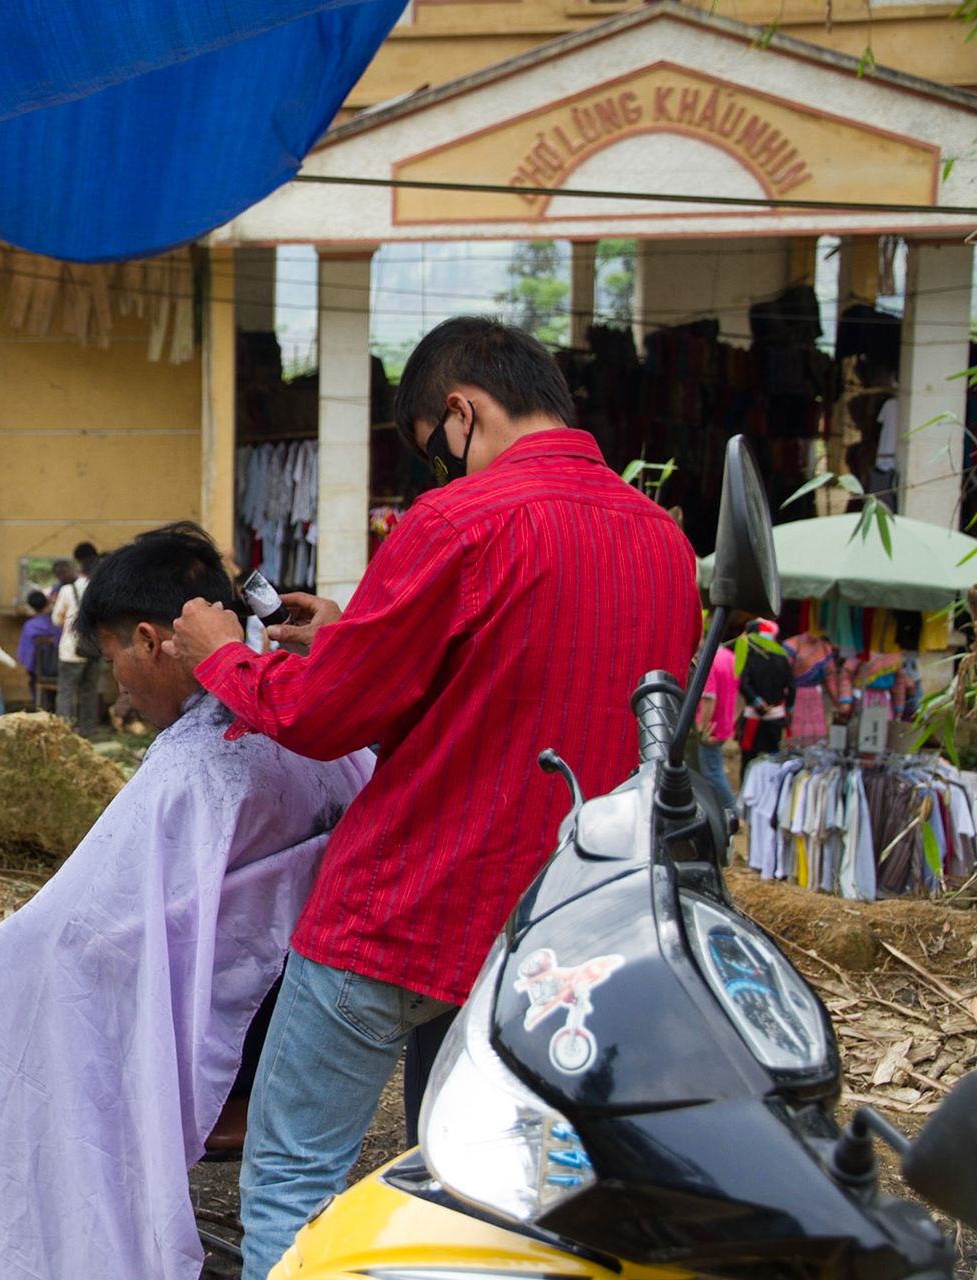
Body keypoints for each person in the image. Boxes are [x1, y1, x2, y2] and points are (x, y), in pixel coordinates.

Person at [165, 315, 701, 1279]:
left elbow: (323, 719)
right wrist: (348, 633)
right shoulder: (660, 541)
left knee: (294, 1174)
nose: (437, 477)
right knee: (472, 1187)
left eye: (432, 454)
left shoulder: (462, 520)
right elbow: (503, 684)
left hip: (405, 911)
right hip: (553, 938)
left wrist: (224, 658)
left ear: (461, 410)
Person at [0, 523, 373, 1280]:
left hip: (225, 1049)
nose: (117, 687)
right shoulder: (311, 726)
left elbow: (78, 935)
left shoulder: (196, 771)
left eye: (111, 660)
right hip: (279, 1024)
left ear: (151, 640)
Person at [51, 544, 103, 737]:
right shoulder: (100, 589)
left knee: (66, 691)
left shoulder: (67, 590)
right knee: (89, 691)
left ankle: (63, 730)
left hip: (71, 649)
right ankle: (88, 730)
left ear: (80, 569)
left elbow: (56, 619)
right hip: (94, 649)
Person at [696, 633, 741, 828]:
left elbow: (709, 698)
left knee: (712, 772)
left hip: (711, 726)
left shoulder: (710, 661)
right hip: (724, 722)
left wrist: (702, 729)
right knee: (714, 769)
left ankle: (733, 813)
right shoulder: (730, 657)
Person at [738, 619, 791, 766]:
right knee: (775, 759)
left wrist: (757, 702)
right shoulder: (782, 658)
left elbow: (744, 684)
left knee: (748, 759)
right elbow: (791, 685)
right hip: (776, 716)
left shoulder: (749, 658)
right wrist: (789, 708)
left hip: (754, 718)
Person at [15, 589, 61, 709]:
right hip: (61, 668)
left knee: (33, 679)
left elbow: (26, 655)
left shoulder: (31, 626)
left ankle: (42, 709)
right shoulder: (58, 622)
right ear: (47, 601)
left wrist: (32, 668)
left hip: (40, 671)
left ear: (32, 607)